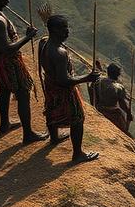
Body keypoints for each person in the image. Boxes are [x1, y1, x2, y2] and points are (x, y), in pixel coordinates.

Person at [0, 0, 46, 143]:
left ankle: (4, 124)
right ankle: (28, 134)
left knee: (4, 89)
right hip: (8, 60)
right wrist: (28, 37)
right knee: (23, 93)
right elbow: (8, 48)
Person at [38, 15, 100, 163]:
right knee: (77, 119)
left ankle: (54, 138)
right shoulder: (60, 53)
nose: (67, 31)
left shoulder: (44, 42)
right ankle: (77, 154)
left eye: (67, 27)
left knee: (51, 108)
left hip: (50, 84)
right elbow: (64, 80)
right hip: (62, 89)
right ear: (53, 30)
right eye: (63, 28)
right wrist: (87, 78)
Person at [91, 63, 133, 134]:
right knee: (123, 131)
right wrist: (128, 113)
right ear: (117, 74)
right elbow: (122, 104)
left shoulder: (99, 81)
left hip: (99, 108)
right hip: (112, 112)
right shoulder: (119, 87)